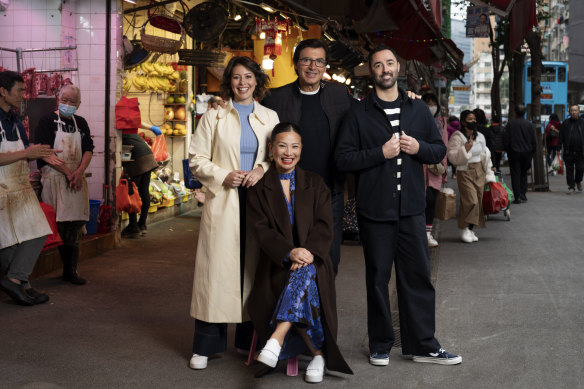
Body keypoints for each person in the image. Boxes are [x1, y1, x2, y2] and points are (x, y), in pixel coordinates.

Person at [335, 46, 461, 366]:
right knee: (377, 279)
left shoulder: (417, 110)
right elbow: (343, 159)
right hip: (374, 211)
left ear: (398, 68)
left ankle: (423, 345)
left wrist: (418, 147)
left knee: (418, 276)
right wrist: (381, 153)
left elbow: (436, 151)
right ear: (371, 72)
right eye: (378, 65)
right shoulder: (358, 113)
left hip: (412, 211)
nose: (385, 69)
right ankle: (380, 343)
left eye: (390, 62)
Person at [187, 56, 279, 370]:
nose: (242, 83)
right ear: (230, 82)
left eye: (248, 77)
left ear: (257, 81)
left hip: (258, 200)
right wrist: (222, 174)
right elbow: (196, 159)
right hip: (223, 198)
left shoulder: (270, 116)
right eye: (236, 77)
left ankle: (247, 341)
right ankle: (205, 346)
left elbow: (279, 155)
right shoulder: (214, 115)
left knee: (252, 270)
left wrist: (260, 169)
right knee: (215, 272)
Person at [247, 123, 352, 383]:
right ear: (271, 149)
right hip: (276, 264)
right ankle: (319, 354)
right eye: (282, 145)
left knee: (305, 271)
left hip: (313, 259)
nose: (288, 152)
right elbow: (261, 230)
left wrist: (305, 253)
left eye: (295, 146)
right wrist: (289, 252)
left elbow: (325, 225)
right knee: (305, 279)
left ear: (301, 150)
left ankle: (276, 338)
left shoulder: (315, 183)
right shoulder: (260, 187)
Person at [261, 39, 353, 276]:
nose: (313, 66)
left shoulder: (340, 95)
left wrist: (406, 98)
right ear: (296, 64)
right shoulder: (274, 98)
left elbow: (367, 115)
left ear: (325, 67)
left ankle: (322, 312)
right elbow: (254, 126)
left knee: (328, 259)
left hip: (329, 192)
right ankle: (289, 312)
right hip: (286, 193)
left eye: (319, 61)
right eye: (306, 60)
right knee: (289, 260)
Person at [0, 70, 59, 305]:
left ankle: (18, 282)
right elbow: (19, 153)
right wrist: (27, 153)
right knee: (8, 239)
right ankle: (18, 282)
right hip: (2, 187)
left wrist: (43, 153)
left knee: (37, 230)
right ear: (3, 92)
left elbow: (23, 151)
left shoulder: (14, 119)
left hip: (18, 184)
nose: (24, 95)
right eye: (20, 90)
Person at [36, 85, 93, 285]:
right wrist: (68, 172)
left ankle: (71, 271)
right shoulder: (47, 121)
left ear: (79, 104)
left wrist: (78, 172)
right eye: (64, 100)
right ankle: (65, 269)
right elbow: (45, 153)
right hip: (54, 177)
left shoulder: (81, 123)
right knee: (59, 223)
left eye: (72, 102)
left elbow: (88, 149)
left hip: (76, 180)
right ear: (58, 99)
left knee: (75, 225)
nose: (67, 104)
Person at [448, 110, 496, 242]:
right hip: (465, 171)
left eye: (474, 119)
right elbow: (452, 157)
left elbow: (485, 154)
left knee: (478, 201)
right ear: (463, 122)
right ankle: (463, 228)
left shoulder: (480, 136)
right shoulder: (457, 137)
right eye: (470, 119)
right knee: (471, 201)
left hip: (479, 170)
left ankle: (470, 229)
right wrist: (466, 149)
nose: (473, 122)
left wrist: (489, 171)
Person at [421, 93, 448, 247]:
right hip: (419, 169)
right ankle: (419, 233)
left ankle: (427, 234)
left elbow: (445, 146)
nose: (430, 106)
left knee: (431, 202)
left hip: (435, 169)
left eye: (433, 103)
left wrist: (444, 169)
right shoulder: (416, 121)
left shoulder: (441, 123)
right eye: (427, 103)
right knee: (419, 202)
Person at [504, 104, 536, 203]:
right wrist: (532, 152)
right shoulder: (530, 124)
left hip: (514, 152)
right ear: (525, 112)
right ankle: (523, 194)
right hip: (527, 153)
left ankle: (517, 196)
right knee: (523, 174)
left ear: (515, 112)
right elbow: (534, 140)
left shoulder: (510, 124)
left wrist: (507, 151)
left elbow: (507, 139)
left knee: (515, 174)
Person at [559, 105, 584, 194]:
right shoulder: (565, 123)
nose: (574, 112)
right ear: (569, 112)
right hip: (568, 151)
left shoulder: (582, 122)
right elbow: (561, 136)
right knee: (569, 170)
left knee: (580, 169)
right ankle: (571, 186)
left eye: (576, 110)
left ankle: (578, 181)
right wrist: (558, 148)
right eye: (572, 110)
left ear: (579, 111)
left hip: (580, 151)